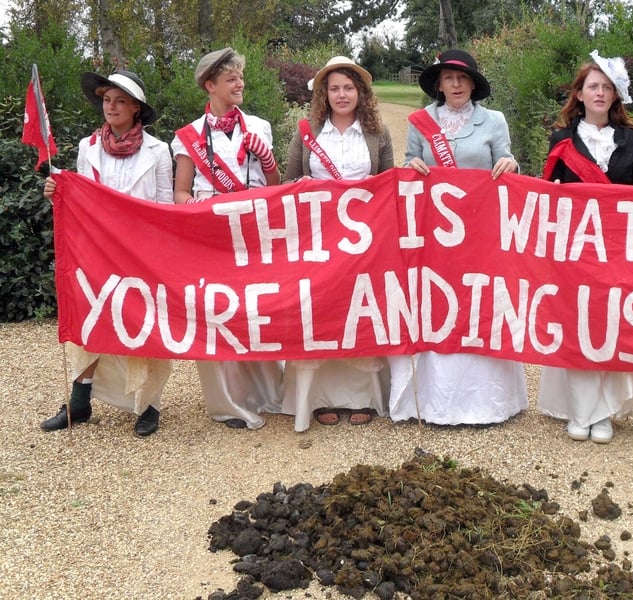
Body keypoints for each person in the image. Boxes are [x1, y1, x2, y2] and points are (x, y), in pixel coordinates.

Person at [390, 48, 528, 425]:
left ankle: (486, 401)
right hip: (435, 232)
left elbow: (507, 162)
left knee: (477, 295)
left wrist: (510, 163)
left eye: (462, 78)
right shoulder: (421, 122)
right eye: (449, 78)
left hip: (481, 229)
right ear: (438, 84)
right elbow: (409, 165)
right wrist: (412, 166)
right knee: (437, 298)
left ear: (473, 84)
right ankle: (436, 398)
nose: (456, 84)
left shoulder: (494, 120)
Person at [40, 70, 173, 437]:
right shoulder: (88, 147)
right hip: (97, 251)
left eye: (120, 101)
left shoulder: (159, 151)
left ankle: (148, 405)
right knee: (90, 317)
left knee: (144, 325)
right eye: (106, 100)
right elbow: (81, 198)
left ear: (136, 109)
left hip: (141, 253)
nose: (110, 107)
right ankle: (78, 403)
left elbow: (163, 207)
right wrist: (59, 192)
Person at [536, 51, 633, 444]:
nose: (600, 93)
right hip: (573, 245)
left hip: (615, 246)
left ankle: (604, 412)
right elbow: (546, 193)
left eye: (607, 87)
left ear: (616, 95)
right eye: (592, 86)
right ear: (579, 94)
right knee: (577, 322)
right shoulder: (561, 139)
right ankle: (581, 410)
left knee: (609, 324)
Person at [171, 47, 283, 429]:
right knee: (218, 312)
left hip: (253, 231)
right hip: (212, 234)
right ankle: (229, 402)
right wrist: (204, 213)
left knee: (257, 308)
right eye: (231, 78)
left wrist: (267, 160)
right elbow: (181, 193)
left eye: (240, 77)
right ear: (210, 86)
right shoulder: (188, 136)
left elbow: (275, 187)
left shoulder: (259, 126)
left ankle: (268, 393)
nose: (240, 84)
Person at [282, 56, 393, 431]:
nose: (341, 95)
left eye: (348, 88)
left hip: (362, 239)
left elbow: (389, 183)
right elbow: (289, 182)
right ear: (323, 95)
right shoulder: (308, 132)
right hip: (317, 238)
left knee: (359, 309)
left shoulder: (377, 133)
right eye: (334, 89)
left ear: (360, 93)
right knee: (321, 310)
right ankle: (319, 397)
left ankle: (362, 397)